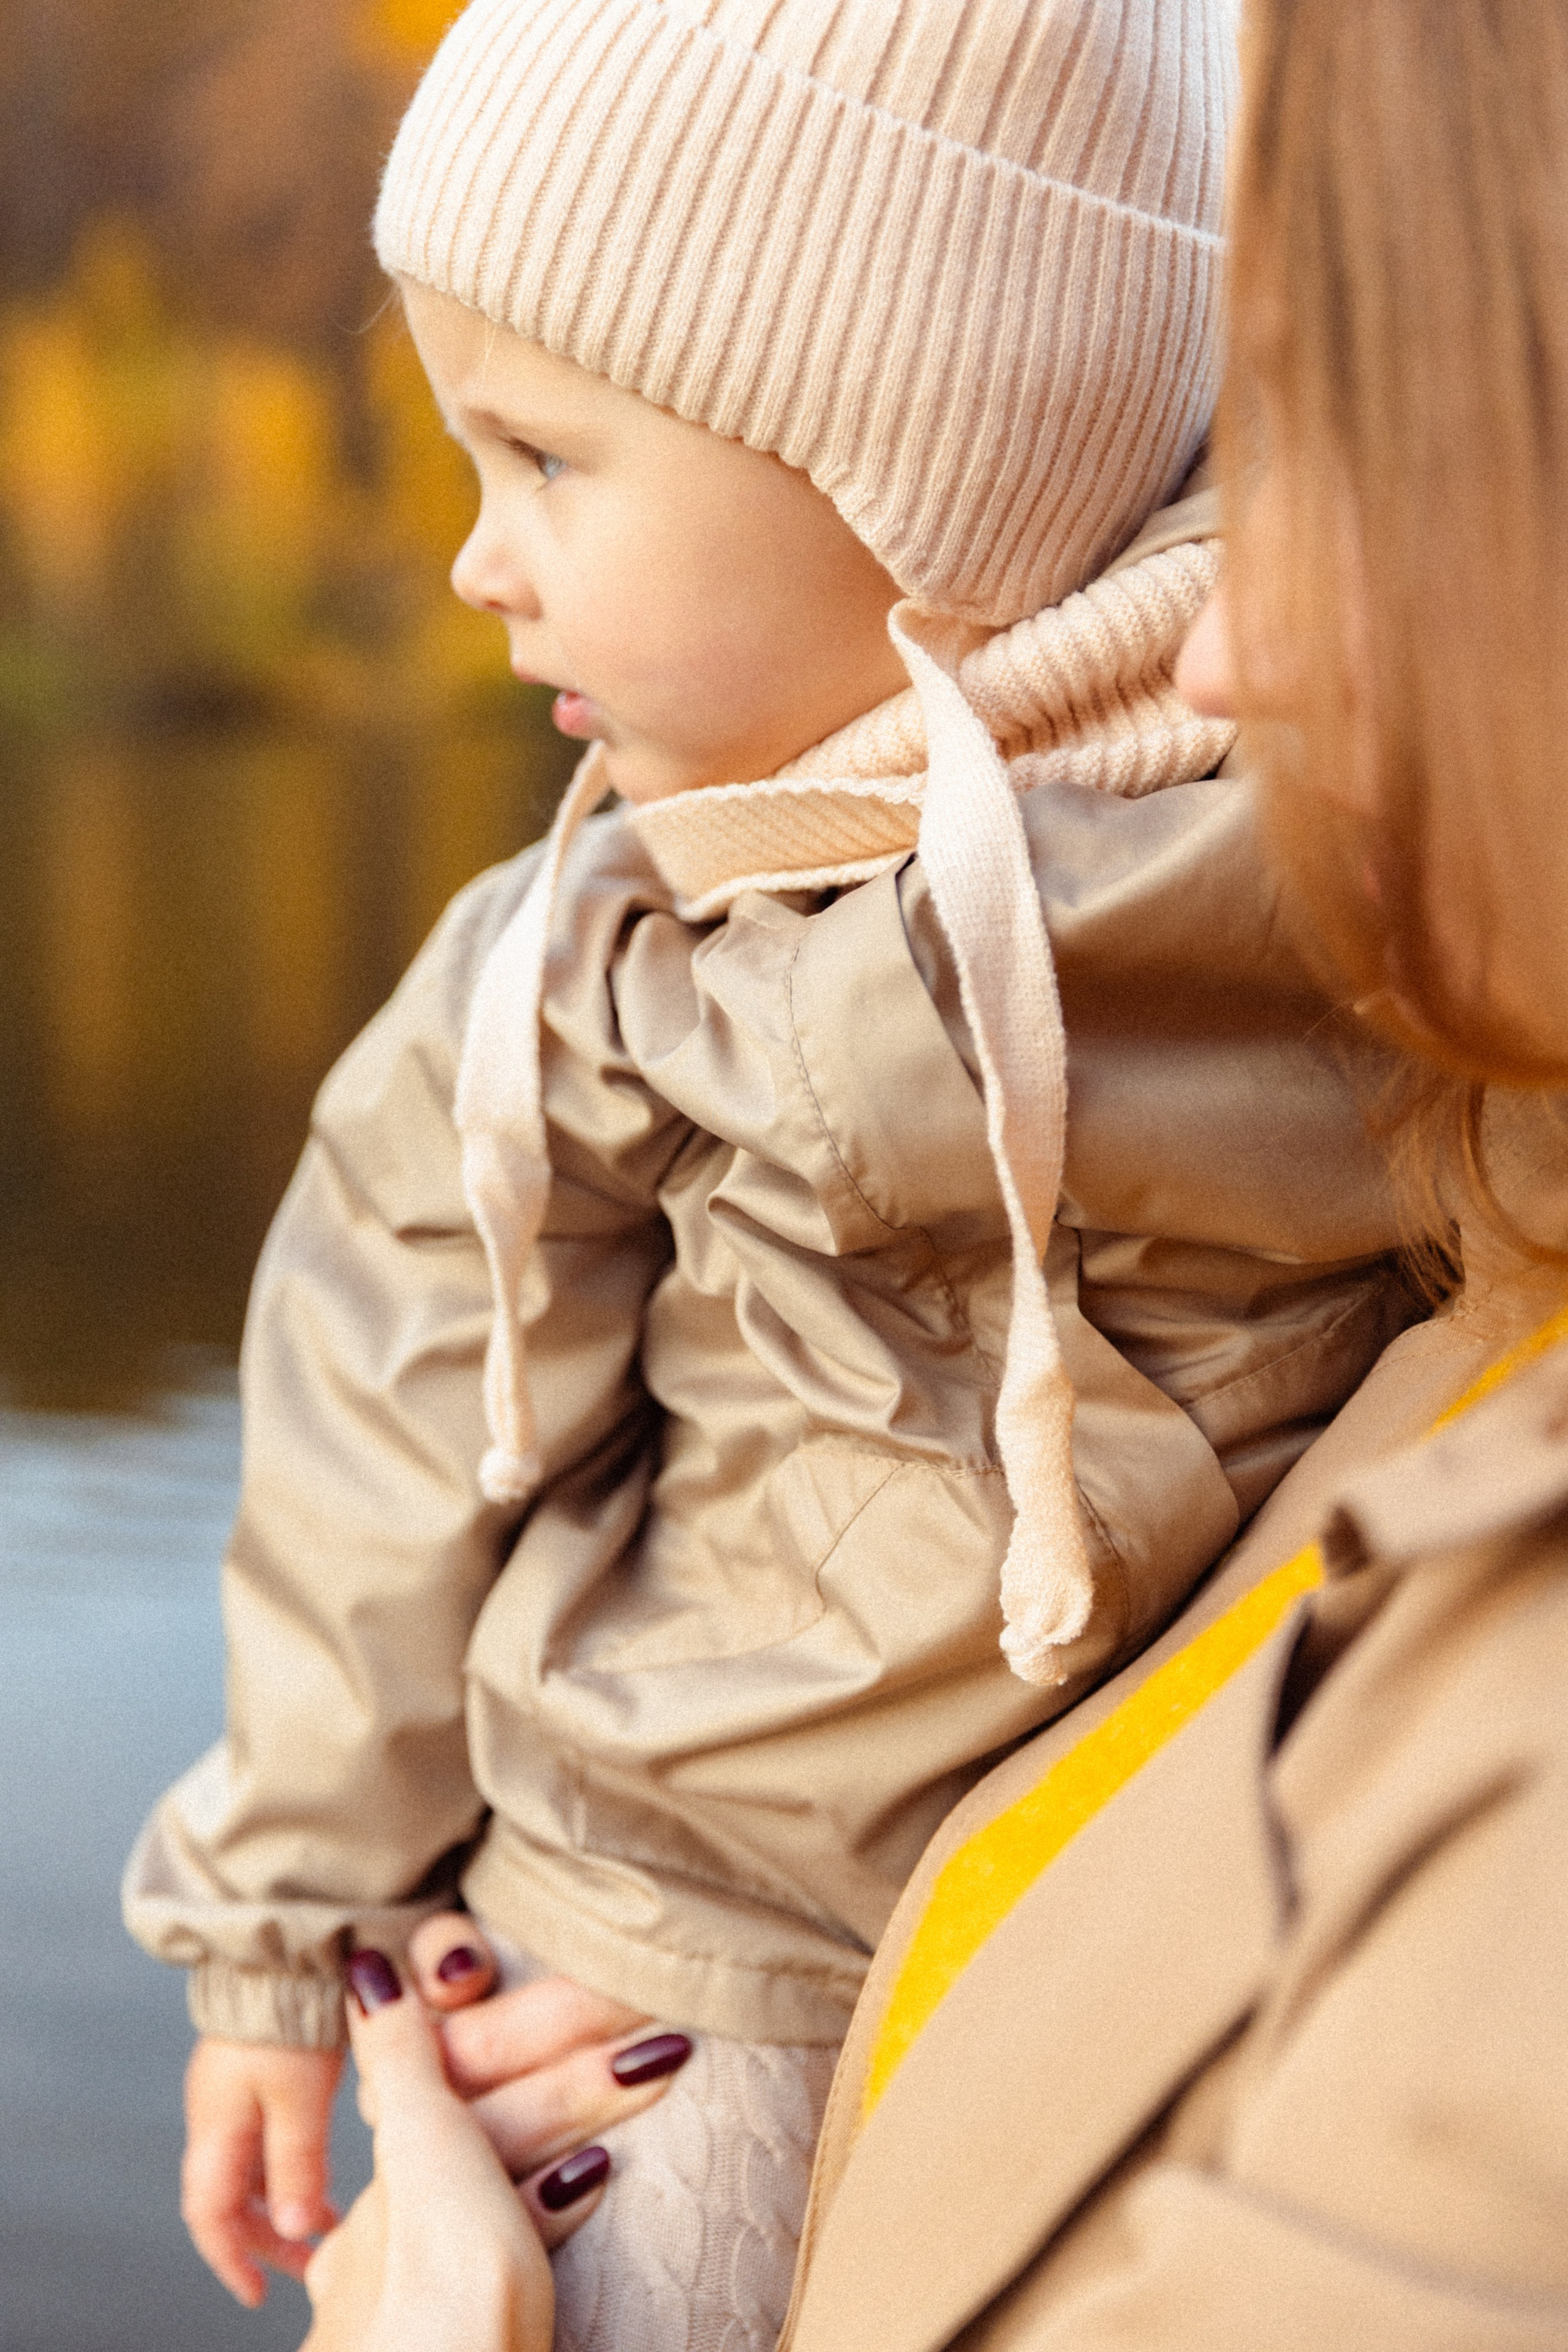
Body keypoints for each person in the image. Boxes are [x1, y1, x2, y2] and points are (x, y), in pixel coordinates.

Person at [124, 1, 1423, 2340]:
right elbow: (384, 1389)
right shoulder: (609, 959)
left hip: (1135, 1957)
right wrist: (275, 1934)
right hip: (666, 1955)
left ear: (923, 462)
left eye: (539, 457)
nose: (473, 567)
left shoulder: (1405, 849)